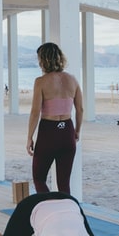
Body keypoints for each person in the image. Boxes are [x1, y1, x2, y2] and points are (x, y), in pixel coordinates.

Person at [27, 42, 83, 195]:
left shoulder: (40, 82)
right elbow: (80, 109)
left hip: (48, 132)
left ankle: (48, 209)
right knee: (64, 184)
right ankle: (68, 214)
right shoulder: (73, 80)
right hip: (67, 131)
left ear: (43, 60)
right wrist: (77, 131)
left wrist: (29, 137)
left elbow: (35, 112)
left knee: (39, 178)